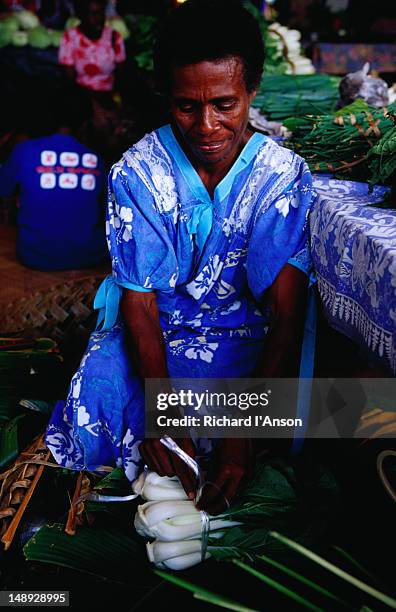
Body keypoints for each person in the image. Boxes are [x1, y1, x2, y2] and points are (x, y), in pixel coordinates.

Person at [45, 0, 317, 515]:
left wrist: (245, 430)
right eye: (187, 106)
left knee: (277, 420)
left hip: (247, 339)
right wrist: (162, 409)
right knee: (100, 391)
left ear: (251, 92)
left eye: (225, 104)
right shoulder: (137, 173)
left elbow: (285, 314)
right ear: (166, 96)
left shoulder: (282, 178)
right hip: (158, 335)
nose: (208, 125)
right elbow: (141, 303)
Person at [0, 85, 108, 270]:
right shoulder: (96, 159)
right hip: (88, 254)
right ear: (85, 121)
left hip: (34, 255)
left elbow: (3, 189)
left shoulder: (24, 150)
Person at [59, 0, 126, 97]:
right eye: (93, 14)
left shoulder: (114, 37)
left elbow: (120, 74)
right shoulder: (70, 38)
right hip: (81, 96)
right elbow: (69, 80)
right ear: (81, 16)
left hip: (108, 95)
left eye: (100, 13)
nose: (98, 18)